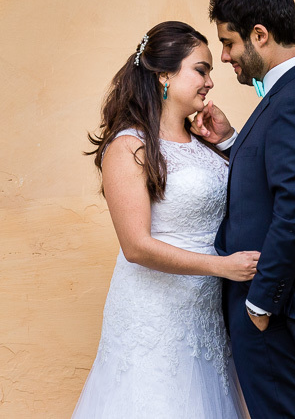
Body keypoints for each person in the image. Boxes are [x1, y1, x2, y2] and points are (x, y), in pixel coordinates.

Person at [73, 21, 258, 418]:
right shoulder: (129, 146)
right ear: (165, 74)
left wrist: (227, 141)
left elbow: (252, 191)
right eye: (201, 69)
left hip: (205, 315)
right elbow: (136, 246)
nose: (211, 81)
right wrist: (222, 267)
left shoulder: (206, 144)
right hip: (153, 314)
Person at [193, 0, 295, 418]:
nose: (224, 57)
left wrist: (260, 304)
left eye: (228, 43)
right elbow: (279, 181)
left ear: (259, 35)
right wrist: (230, 142)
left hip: (280, 313)